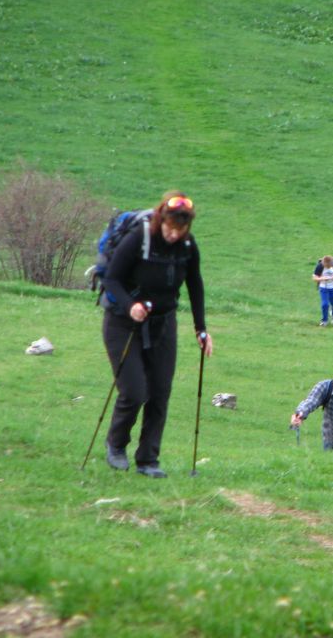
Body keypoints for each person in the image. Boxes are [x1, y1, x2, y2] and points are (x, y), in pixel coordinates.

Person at [100, 191, 213, 478]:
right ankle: (115, 445)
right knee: (135, 391)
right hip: (123, 324)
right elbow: (111, 279)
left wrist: (201, 329)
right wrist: (130, 306)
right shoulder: (140, 237)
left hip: (163, 325)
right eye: (170, 228)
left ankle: (148, 460)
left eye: (180, 230)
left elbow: (195, 285)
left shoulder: (187, 245)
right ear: (161, 219)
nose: (174, 235)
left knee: (160, 393)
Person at [313, 255, 333, 326]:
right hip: (323, 288)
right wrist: (322, 278)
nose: (328, 267)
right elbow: (314, 278)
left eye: (329, 266)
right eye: (326, 266)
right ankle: (324, 320)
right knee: (325, 304)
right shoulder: (320, 266)